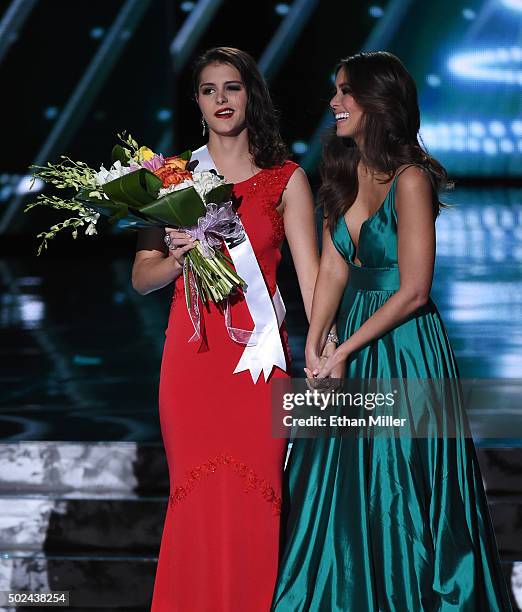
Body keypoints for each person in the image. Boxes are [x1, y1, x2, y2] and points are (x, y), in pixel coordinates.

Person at [271, 51, 513, 611]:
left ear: (378, 102)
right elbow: (333, 265)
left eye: (345, 92)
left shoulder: (412, 180)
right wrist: (315, 339)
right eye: (335, 91)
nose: (334, 103)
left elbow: (414, 290)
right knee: (329, 482)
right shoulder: (341, 168)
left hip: (404, 348)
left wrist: (345, 348)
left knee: (399, 481)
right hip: (347, 343)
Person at [132, 47, 330, 611]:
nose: (221, 99)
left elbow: (311, 284)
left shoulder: (286, 180)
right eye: (209, 90)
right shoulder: (168, 180)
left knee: (255, 497)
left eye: (232, 88)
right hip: (193, 364)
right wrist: (182, 256)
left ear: (251, 96)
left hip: (259, 363)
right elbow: (142, 278)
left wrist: (328, 347)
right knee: (194, 498)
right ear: (196, 103)